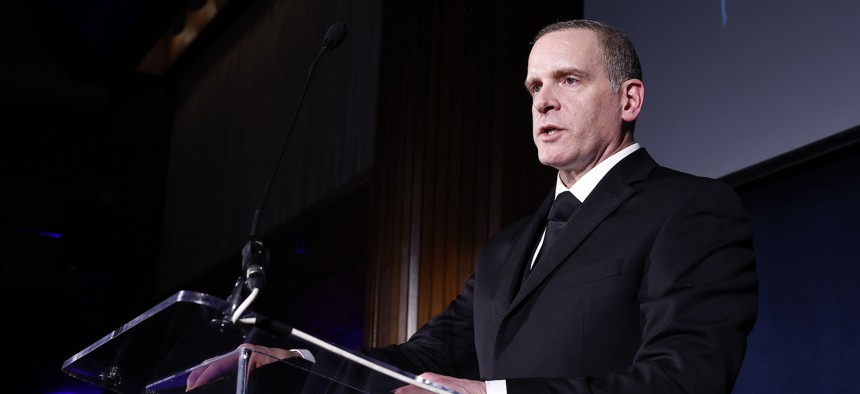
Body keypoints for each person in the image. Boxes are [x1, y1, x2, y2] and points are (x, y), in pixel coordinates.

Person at [187, 19, 758, 394]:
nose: (545, 102)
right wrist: (293, 364)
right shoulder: (505, 248)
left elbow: (688, 378)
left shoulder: (690, 209)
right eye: (534, 87)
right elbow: (421, 357)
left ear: (628, 99)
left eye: (569, 79)